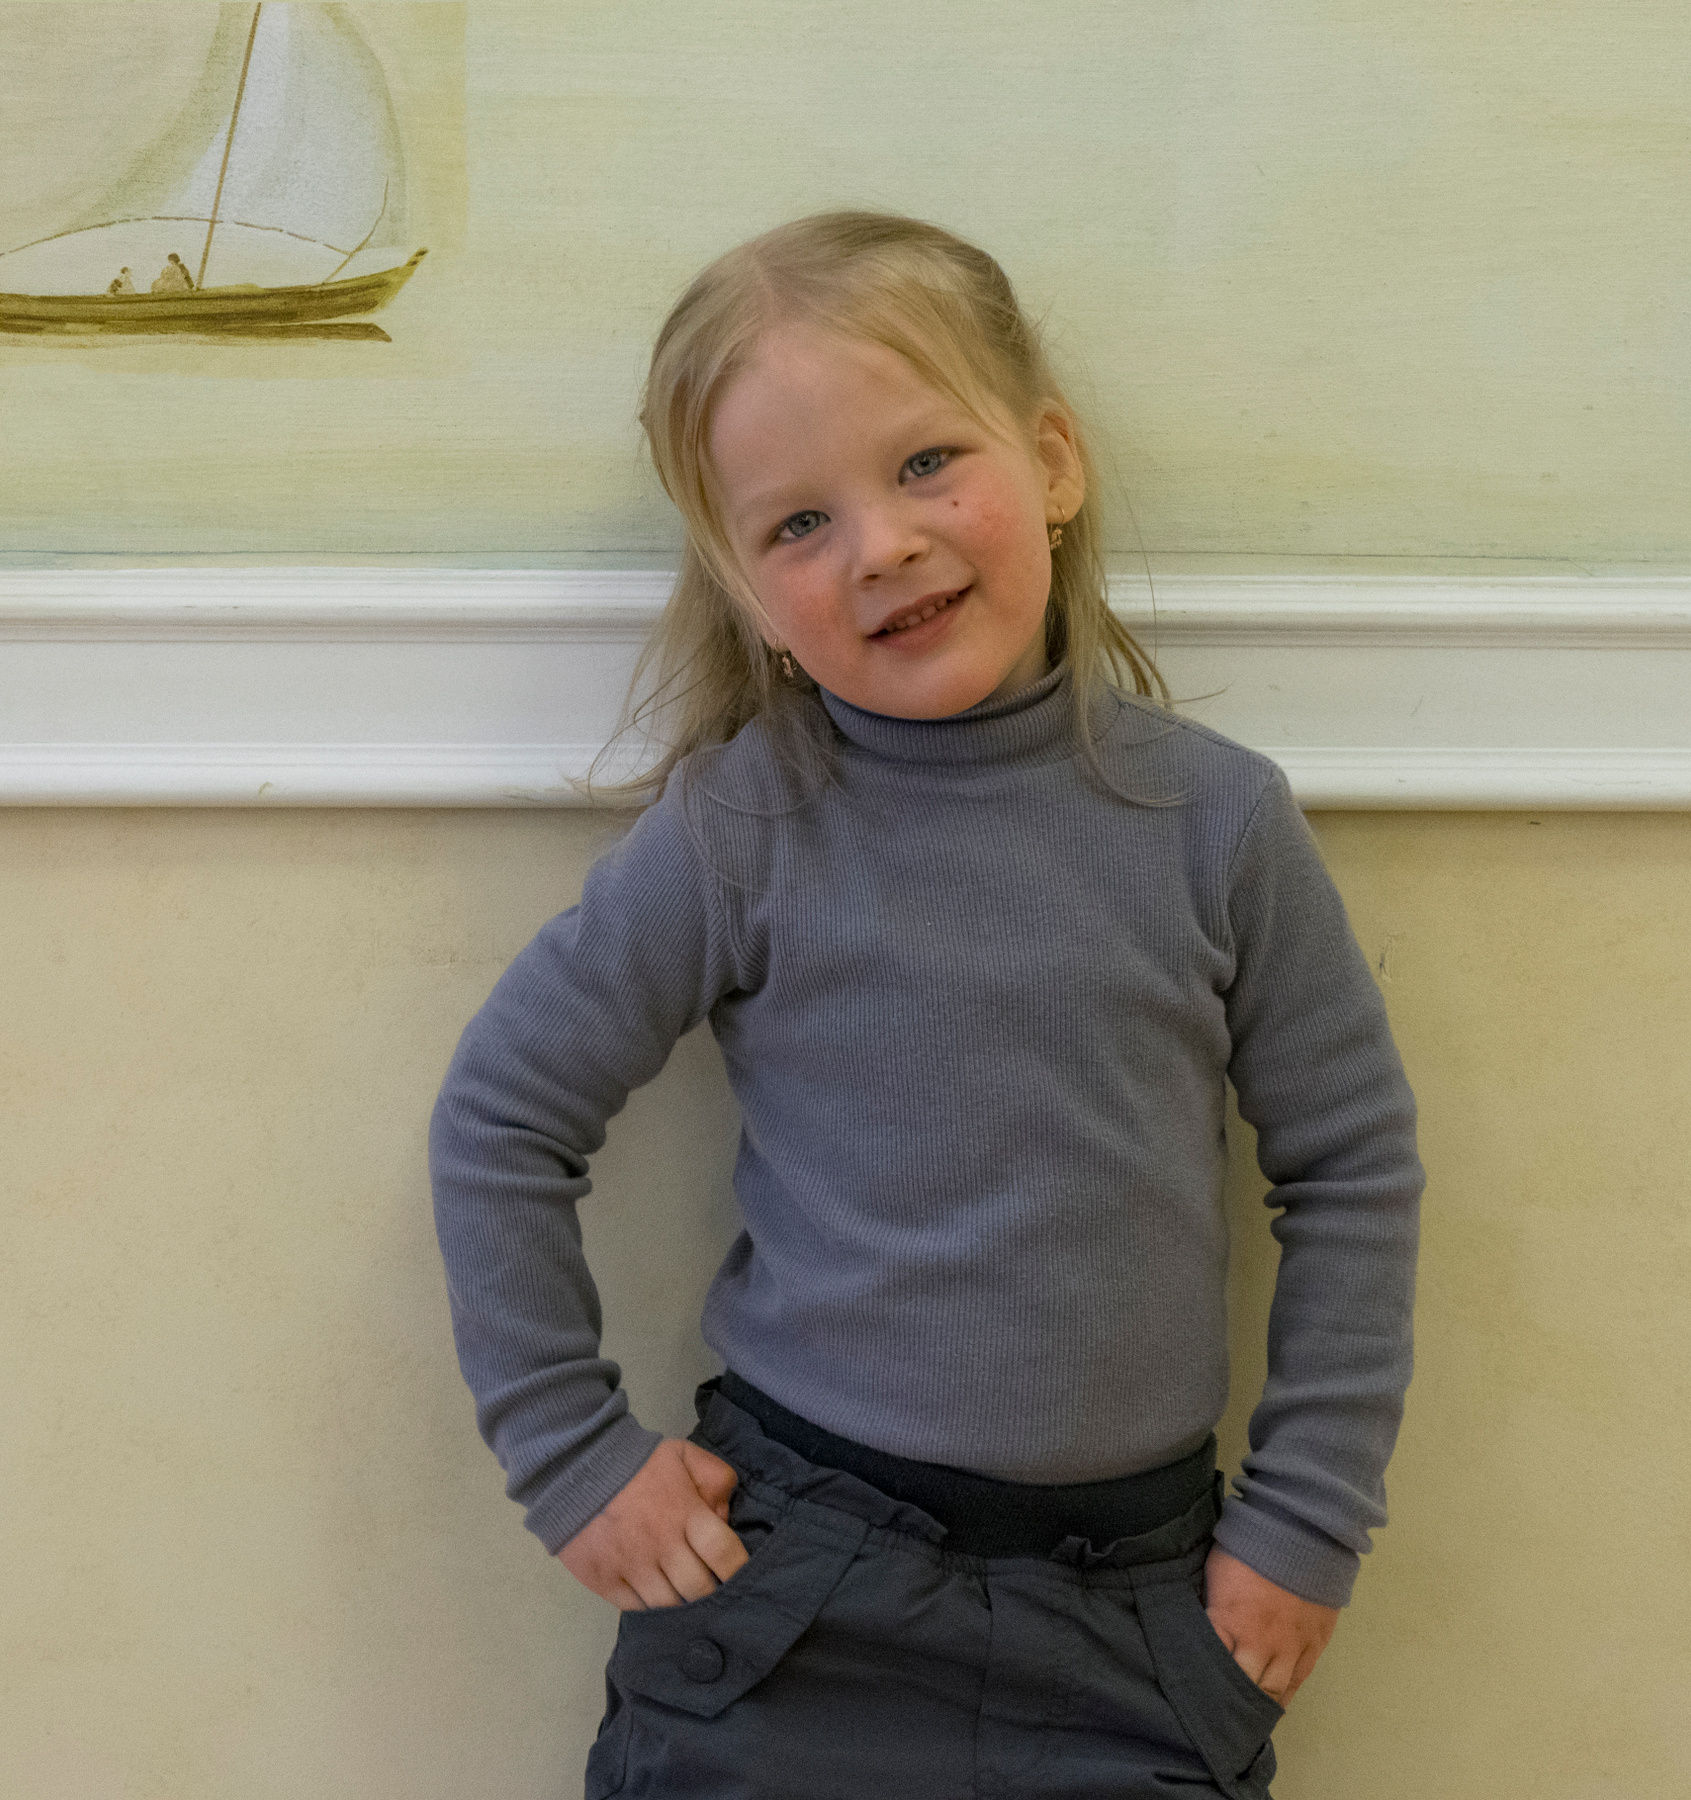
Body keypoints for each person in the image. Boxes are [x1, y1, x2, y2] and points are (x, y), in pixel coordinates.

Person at [429, 210, 1423, 1800]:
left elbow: (1352, 1170)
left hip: (1140, 1617)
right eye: (797, 524)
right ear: (748, 593)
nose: (880, 545)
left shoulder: (1219, 824)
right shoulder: (742, 829)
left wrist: (1308, 1514)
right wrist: (569, 1455)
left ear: (1054, 462)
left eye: (925, 464)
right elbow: (501, 1118)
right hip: (793, 1591)